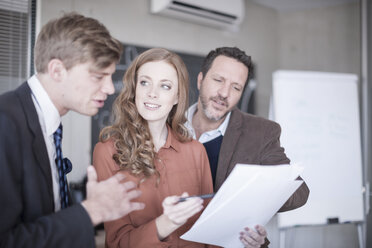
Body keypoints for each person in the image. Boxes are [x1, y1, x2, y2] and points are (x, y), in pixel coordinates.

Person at [0, 13, 145, 247]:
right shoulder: (5, 121)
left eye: (110, 77)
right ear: (57, 70)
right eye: (99, 76)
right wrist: (90, 212)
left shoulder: (44, 122)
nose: (109, 88)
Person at [186, 47, 310, 248]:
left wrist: (247, 202)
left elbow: (299, 191)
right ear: (201, 80)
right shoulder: (164, 125)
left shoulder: (261, 133)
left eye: (236, 87)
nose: (224, 93)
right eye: (218, 80)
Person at [93, 48, 215, 247]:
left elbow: (211, 229)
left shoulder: (196, 151)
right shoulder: (107, 152)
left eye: (165, 86)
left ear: (177, 97)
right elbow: (117, 242)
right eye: (144, 83)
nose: (152, 93)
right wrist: (166, 223)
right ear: (134, 89)